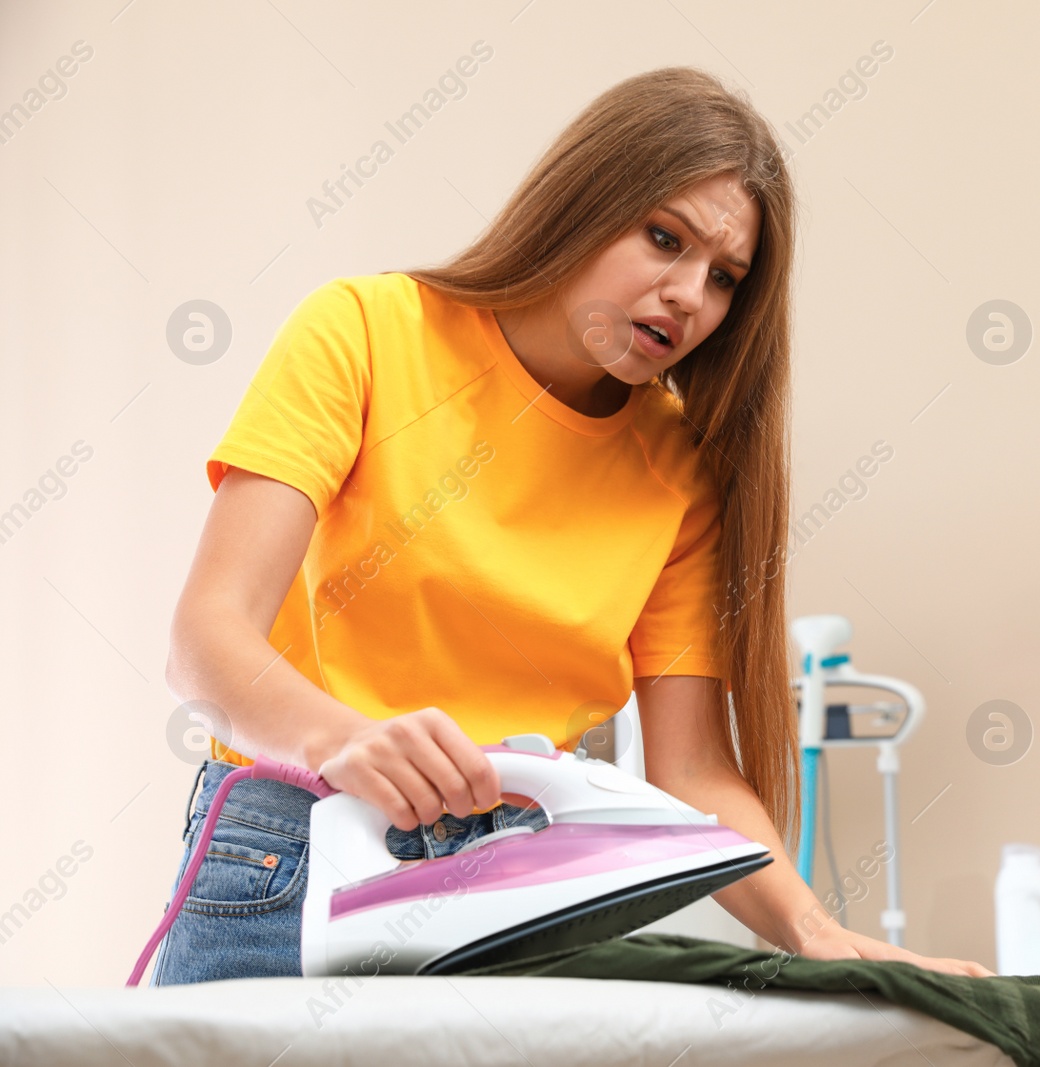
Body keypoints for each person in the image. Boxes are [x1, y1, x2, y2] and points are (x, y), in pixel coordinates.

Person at [151, 65, 994, 985]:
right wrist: (345, 737)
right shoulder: (364, 331)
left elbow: (694, 770)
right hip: (294, 848)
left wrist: (814, 930)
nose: (688, 295)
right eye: (664, 238)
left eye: (723, 278)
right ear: (582, 202)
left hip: (519, 885)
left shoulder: (678, 469)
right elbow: (206, 638)